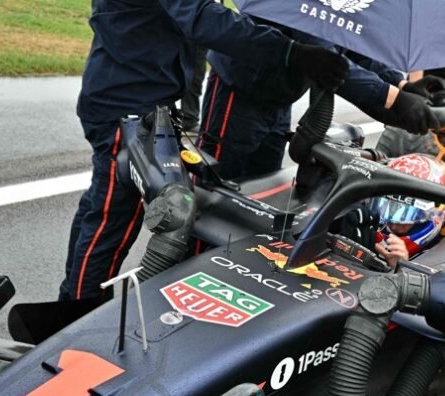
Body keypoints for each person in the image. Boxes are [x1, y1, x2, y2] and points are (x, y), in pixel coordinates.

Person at [60, 0, 348, 302]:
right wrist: (291, 52)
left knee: (103, 208)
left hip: (141, 95)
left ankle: (69, 300)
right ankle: (78, 312)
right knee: (114, 218)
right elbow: (200, 16)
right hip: (126, 102)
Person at [198, 27, 439, 180]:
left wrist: (401, 84)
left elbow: (347, 46)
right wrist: (395, 99)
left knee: (262, 187)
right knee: (215, 184)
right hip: (240, 92)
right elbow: (330, 60)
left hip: (280, 98)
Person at [370, 154, 445, 269]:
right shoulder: (370, 223)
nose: (394, 225)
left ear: (431, 214)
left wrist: (401, 268)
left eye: (406, 214)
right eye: (390, 208)